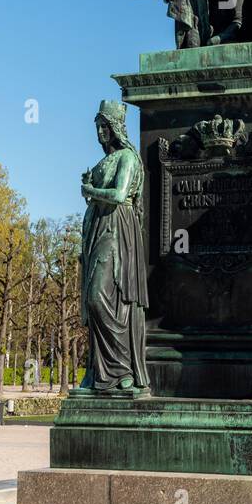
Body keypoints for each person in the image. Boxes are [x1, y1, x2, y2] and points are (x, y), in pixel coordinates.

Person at [79, 99, 149, 393]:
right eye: (97, 126)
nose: (100, 132)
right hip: (97, 228)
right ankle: (98, 372)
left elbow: (120, 195)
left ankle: (122, 369)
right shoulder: (102, 162)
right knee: (94, 298)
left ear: (117, 128)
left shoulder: (127, 158)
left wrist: (90, 190)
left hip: (117, 227)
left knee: (102, 297)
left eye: (105, 126)